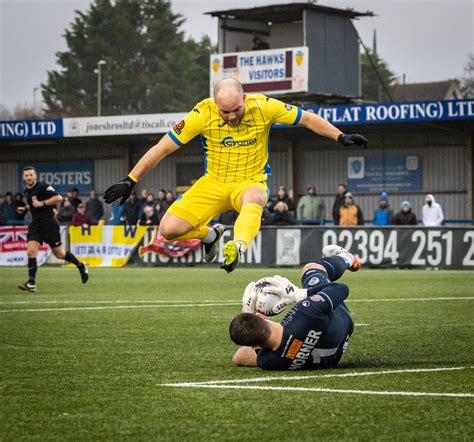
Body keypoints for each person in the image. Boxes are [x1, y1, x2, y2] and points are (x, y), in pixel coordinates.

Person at [104, 78, 368, 273]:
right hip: (213, 182)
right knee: (169, 230)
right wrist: (131, 179)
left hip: (250, 181)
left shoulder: (264, 106)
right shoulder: (201, 113)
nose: (231, 116)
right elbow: (162, 148)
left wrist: (339, 135)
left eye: (236, 109)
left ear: (244, 96)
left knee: (254, 198)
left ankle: (237, 247)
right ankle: (210, 236)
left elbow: (308, 119)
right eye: (225, 111)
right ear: (214, 103)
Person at [229, 245, 360, 370]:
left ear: (255, 346)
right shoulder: (304, 312)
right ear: (261, 316)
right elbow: (341, 288)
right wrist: (300, 294)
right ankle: (346, 258)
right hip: (342, 320)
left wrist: (247, 326)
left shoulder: (267, 361)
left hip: (335, 352)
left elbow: (239, 357)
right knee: (311, 269)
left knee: (243, 355)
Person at [16, 166, 89, 292]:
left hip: (49, 224)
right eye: (26, 175)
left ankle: (80, 265)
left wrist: (42, 203)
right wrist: (27, 208)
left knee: (60, 254)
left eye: (31, 175)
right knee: (31, 251)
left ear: (35, 176)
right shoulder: (27, 191)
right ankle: (31, 282)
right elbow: (35, 204)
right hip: (36, 225)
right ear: (23, 177)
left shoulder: (43, 186)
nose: (29, 177)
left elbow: (58, 198)